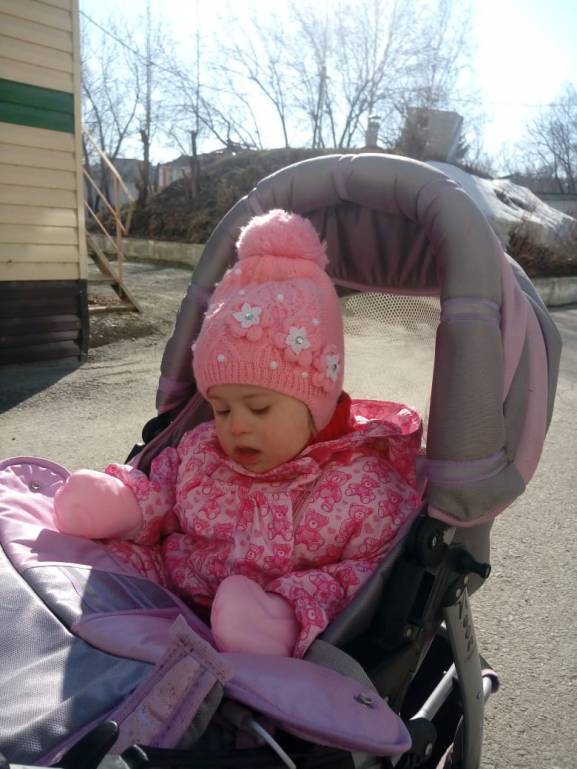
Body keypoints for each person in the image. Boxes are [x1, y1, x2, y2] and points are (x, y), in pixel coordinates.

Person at [54, 209, 422, 659]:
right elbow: (165, 490)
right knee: (82, 591)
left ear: (318, 404)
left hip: (270, 634)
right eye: (222, 408)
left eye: (259, 408)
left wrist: (288, 608)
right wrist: (129, 505)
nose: (236, 425)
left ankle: (271, 621)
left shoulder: (365, 490)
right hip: (169, 602)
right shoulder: (203, 450)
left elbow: (360, 575)